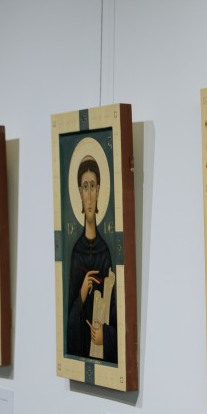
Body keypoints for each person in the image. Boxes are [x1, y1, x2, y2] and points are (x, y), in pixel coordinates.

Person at [66, 155, 117, 363]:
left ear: (98, 190)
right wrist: (81, 295)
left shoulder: (105, 253)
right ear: (79, 192)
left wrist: (106, 336)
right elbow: (68, 323)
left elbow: (116, 313)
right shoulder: (76, 254)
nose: (88, 195)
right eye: (85, 187)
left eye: (93, 186)